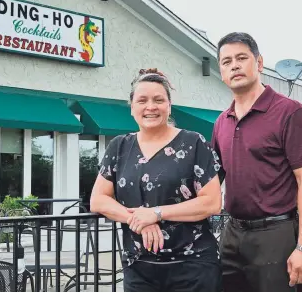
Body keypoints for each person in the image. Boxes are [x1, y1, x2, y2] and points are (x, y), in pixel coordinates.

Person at [90, 68, 223, 292]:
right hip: (139, 267)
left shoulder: (193, 143)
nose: (150, 106)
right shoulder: (119, 146)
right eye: (142, 100)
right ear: (132, 107)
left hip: (193, 266)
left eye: (158, 100)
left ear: (169, 106)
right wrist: (141, 221)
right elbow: (98, 199)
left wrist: (157, 212)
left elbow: (212, 203)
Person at [212, 32, 302, 292]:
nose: (234, 65)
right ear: (221, 71)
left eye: (241, 58)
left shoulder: (291, 113)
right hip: (232, 234)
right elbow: (210, 182)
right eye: (226, 62)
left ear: (259, 63)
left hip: (277, 234)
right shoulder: (221, 122)